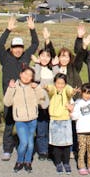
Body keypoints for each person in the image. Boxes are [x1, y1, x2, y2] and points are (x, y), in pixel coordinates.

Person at [0, 15, 39, 161]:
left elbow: (35, 44)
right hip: (10, 96)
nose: (18, 50)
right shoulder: (5, 57)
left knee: (26, 124)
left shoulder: (25, 57)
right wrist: (8, 29)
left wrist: (32, 29)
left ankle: (25, 146)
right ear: (12, 48)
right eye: (15, 48)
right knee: (9, 124)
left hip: (24, 98)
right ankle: (7, 149)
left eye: (20, 48)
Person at [3, 65, 47, 173]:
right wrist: (10, 88)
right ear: (20, 74)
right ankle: (19, 161)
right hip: (20, 121)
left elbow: (42, 98)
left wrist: (37, 87)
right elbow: (7, 102)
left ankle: (28, 162)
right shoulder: (14, 86)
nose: (27, 77)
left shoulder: (32, 87)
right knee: (23, 143)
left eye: (30, 75)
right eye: (25, 74)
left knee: (31, 143)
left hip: (32, 120)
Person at [32, 27, 58, 161]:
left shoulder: (52, 69)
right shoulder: (35, 68)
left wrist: (48, 40)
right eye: (42, 55)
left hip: (52, 103)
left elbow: (58, 79)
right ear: (39, 56)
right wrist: (36, 64)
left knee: (52, 128)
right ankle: (42, 151)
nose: (45, 58)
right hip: (40, 103)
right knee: (41, 128)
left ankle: (52, 150)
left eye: (47, 56)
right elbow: (35, 79)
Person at [44, 73, 78, 175]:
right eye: (58, 83)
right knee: (56, 144)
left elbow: (69, 91)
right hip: (54, 120)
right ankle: (58, 163)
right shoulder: (53, 90)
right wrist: (47, 87)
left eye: (62, 83)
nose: (60, 85)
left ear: (65, 83)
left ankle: (66, 163)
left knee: (67, 144)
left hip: (66, 120)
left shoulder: (66, 89)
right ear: (55, 83)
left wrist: (73, 91)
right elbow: (51, 89)